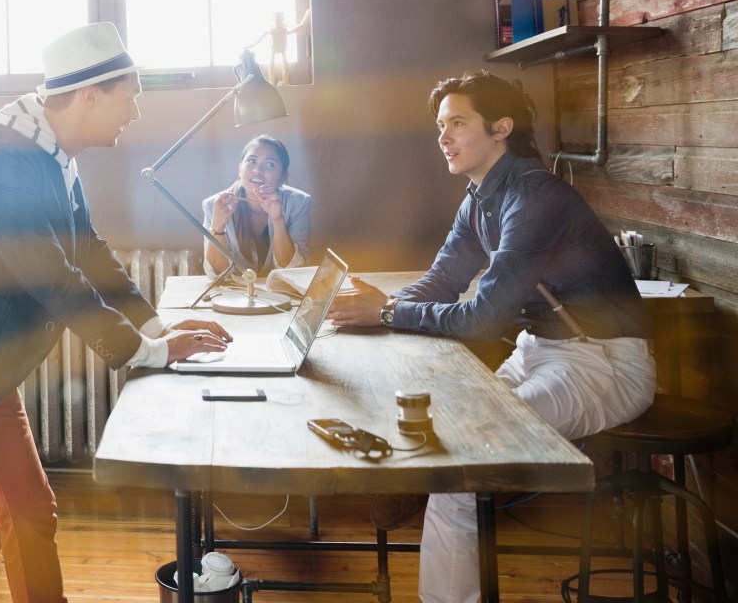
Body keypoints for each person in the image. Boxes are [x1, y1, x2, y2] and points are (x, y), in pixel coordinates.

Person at [0, 22, 233, 603]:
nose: (136, 112)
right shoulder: (3, 156)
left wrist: (156, 327)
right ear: (91, 95)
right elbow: (54, 277)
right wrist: (152, 352)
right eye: (130, 95)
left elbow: (89, 253)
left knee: (30, 510)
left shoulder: (51, 154)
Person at [326, 69, 655, 603]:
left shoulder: (536, 196)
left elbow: (482, 318)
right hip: (540, 352)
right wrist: (363, 306)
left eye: (458, 122)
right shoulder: (479, 198)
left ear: (501, 128)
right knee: (446, 434)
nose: (443, 137)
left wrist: (386, 313)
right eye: (440, 125)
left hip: (603, 364)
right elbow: (443, 279)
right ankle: (411, 482)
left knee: (461, 475)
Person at [200, 134, 312, 276]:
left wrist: (278, 220)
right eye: (252, 161)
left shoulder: (299, 203)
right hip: (235, 295)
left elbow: (293, 270)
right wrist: (218, 228)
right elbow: (216, 274)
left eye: (270, 164)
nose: (258, 170)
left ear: (284, 176)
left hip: (281, 295)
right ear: (240, 169)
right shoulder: (214, 205)